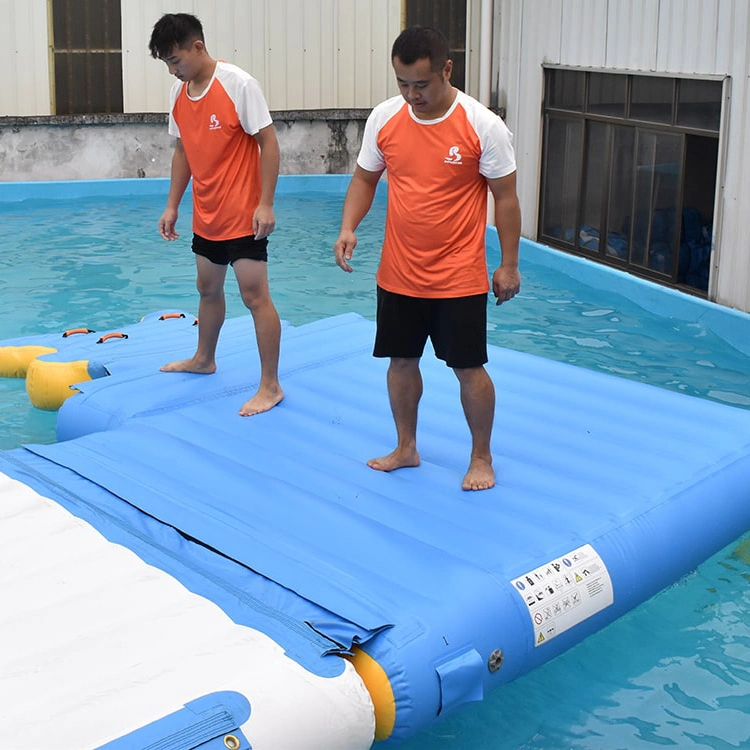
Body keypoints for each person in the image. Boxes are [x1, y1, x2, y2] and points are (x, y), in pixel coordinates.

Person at [333, 26, 521, 491]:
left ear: (447, 70)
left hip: (458, 276)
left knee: (468, 368)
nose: (412, 95)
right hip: (398, 272)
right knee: (400, 362)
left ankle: (481, 457)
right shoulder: (385, 118)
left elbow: (507, 199)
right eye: (403, 84)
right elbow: (364, 180)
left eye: (422, 84)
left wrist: (509, 264)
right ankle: (406, 447)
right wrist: (348, 227)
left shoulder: (483, 125)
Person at [149, 12, 283, 416]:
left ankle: (270, 385)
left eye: (176, 60)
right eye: (168, 64)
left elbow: (269, 143)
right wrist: (173, 204)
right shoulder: (179, 93)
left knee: (255, 296)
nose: (174, 70)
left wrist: (266, 203)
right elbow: (182, 151)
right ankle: (204, 359)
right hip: (206, 215)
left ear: (198, 47)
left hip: (244, 215)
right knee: (206, 290)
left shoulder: (238, 84)